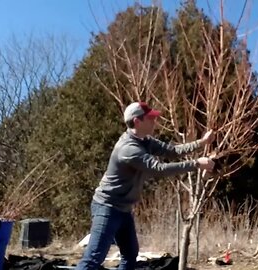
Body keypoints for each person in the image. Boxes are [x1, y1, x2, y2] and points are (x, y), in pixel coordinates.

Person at [76, 101, 215, 270]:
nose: (154, 122)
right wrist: (196, 164)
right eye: (150, 118)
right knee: (93, 259)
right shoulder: (128, 149)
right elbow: (159, 169)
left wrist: (201, 142)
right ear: (137, 121)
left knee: (130, 255)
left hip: (123, 209)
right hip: (107, 207)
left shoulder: (145, 141)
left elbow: (172, 151)